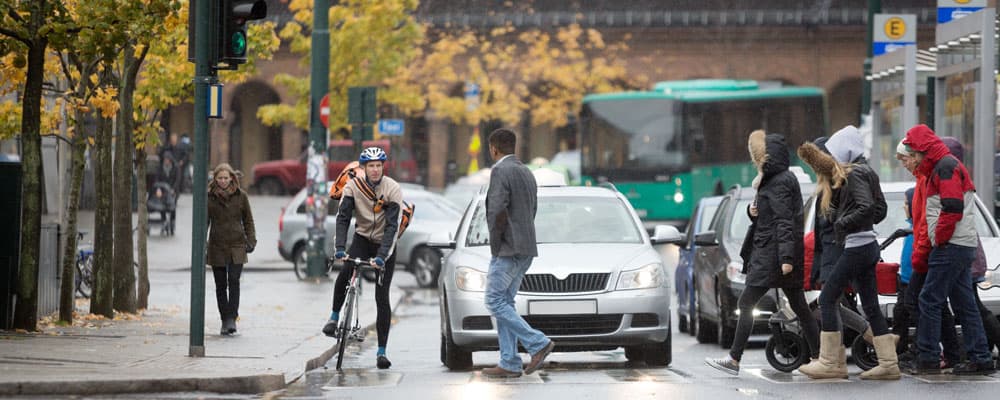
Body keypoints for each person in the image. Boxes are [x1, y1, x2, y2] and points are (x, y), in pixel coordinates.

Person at [705, 130, 819, 375]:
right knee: (800, 306)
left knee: (747, 302)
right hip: (775, 253)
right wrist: (752, 211)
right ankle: (821, 358)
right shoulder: (775, 179)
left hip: (773, 256)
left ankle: (734, 360)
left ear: (764, 157)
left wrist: (787, 258)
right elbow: (773, 217)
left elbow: (784, 221)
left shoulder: (778, 181)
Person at [797, 125, 899, 380]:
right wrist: (859, 222)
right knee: (871, 305)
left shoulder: (853, 174)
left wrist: (842, 222)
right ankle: (889, 363)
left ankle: (831, 362)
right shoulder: (868, 171)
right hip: (867, 246)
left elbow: (866, 208)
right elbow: (880, 210)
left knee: (827, 298)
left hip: (856, 247)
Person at [902, 124, 994, 375]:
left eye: (914, 152)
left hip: (950, 245)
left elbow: (951, 207)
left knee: (929, 299)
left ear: (923, 150)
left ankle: (929, 357)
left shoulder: (944, 168)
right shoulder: (946, 166)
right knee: (964, 303)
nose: (913, 158)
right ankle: (980, 356)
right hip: (961, 244)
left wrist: (938, 238)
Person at [480, 128, 555, 378]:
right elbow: (532, 208)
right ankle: (510, 362)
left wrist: (497, 242)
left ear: (493, 148)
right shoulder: (526, 171)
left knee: (494, 300)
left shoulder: (501, 171)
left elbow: (497, 210)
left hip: (508, 248)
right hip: (525, 246)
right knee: (506, 302)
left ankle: (538, 343)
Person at [322, 147, 404, 370]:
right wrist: (340, 248)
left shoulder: (393, 189)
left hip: (385, 245)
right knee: (346, 270)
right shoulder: (353, 186)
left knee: (382, 296)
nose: (375, 170)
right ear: (364, 168)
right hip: (362, 238)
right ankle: (333, 317)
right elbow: (343, 218)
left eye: (379, 165)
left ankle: (381, 352)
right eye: (371, 166)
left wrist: (381, 257)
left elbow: (392, 228)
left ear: (382, 167)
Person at [894, 140, 963, 370]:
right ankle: (947, 352)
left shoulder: (930, 177)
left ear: (916, 156)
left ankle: (928, 353)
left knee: (920, 300)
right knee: (936, 303)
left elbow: (926, 220)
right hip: (931, 248)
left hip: (932, 249)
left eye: (905, 158)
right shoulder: (923, 179)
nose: (904, 163)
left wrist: (922, 252)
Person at [206, 163, 256, 336]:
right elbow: (204, 223)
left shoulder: (241, 196)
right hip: (217, 245)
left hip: (237, 244)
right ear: (215, 179)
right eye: (220, 178)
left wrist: (251, 240)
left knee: (234, 281)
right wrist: (202, 246)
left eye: (226, 178)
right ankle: (224, 319)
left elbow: (248, 220)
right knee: (220, 285)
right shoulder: (209, 197)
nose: (223, 181)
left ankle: (232, 318)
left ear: (232, 178)